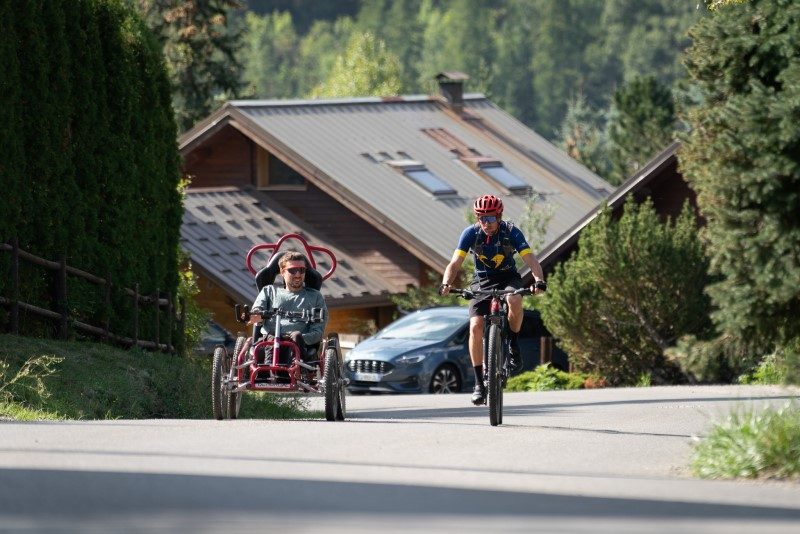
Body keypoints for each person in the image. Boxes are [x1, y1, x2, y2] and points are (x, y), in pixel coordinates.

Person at [439, 194, 545, 405]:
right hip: (482, 280)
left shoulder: (511, 232)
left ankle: (513, 344)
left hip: (508, 277)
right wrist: (446, 283)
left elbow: (530, 259)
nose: (486, 224)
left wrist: (539, 280)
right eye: (481, 219)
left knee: (514, 299)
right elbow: (455, 263)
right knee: (476, 327)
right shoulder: (470, 233)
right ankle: (479, 384)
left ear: (499, 216)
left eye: (490, 219)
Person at [247, 250, 328, 365]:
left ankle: (295, 370)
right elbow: (256, 312)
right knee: (270, 340)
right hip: (270, 339)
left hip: (299, 343)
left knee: (295, 336)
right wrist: (255, 316)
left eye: (302, 270)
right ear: (282, 271)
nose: (298, 274)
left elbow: (317, 332)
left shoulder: (315, 296)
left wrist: (298, 338)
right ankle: (267, 372)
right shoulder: (269, 291)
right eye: (292, 270)